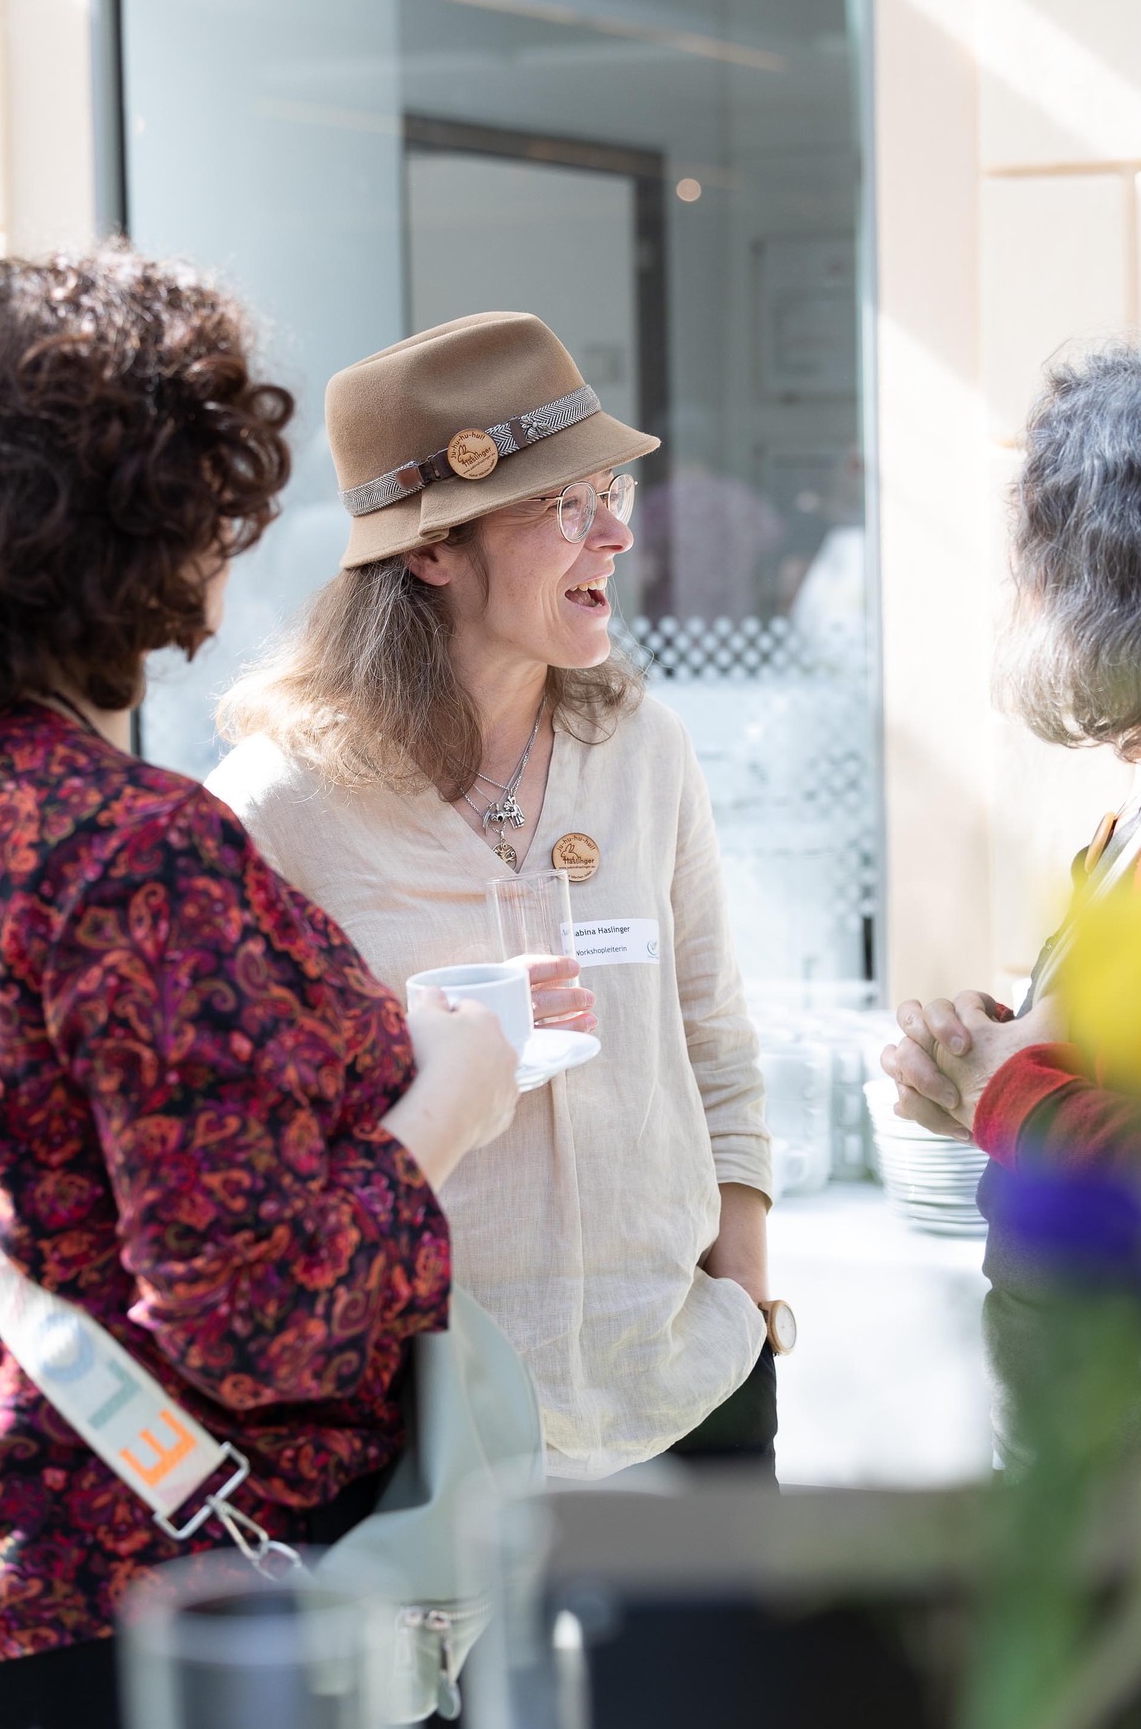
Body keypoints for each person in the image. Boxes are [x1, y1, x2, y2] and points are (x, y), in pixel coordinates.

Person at [0, 251, 518, 1729]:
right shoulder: (130, 848)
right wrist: (451, 1103)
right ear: (148, 516)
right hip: (155, 1605)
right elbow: (258, 1313)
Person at [208, 311, 778, 1481]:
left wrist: (747, 1292)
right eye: (563, 506)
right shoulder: (275, 809)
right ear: (433, 551)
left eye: (608, 491)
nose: (616, 533)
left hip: (689, 1388)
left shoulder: (645, 748)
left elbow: (714, 1034)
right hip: (430, 1432)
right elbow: (248, 1148)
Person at [881, 339, 1141, 1470]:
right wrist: (995, 1066)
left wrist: (1011, 1092)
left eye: (1034, 558)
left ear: (1123, 572)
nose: (1010, 599)